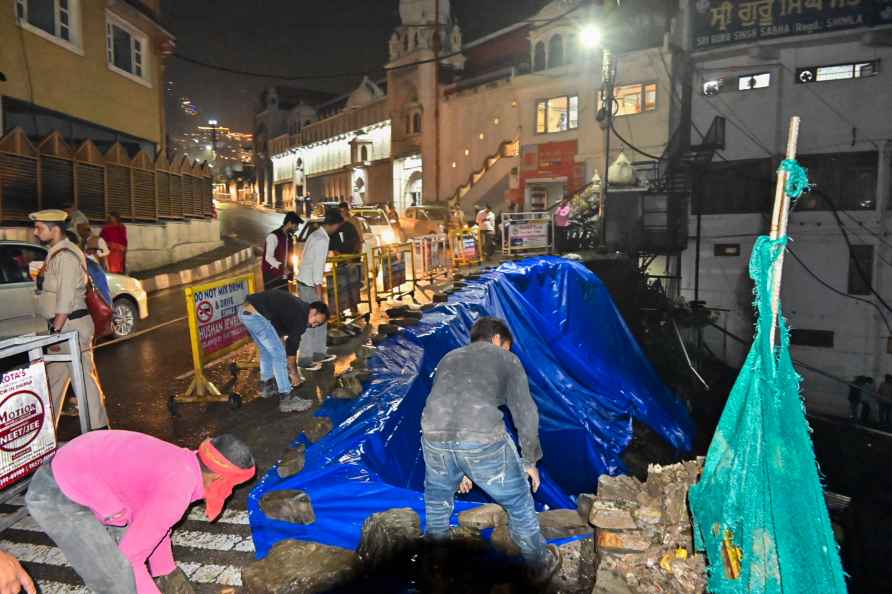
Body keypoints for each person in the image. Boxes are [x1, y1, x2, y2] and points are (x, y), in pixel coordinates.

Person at [420, 317, 561, 582]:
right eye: (506, 346)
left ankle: (435, 568)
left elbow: (451, 407)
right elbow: (526, 414)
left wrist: (460, 468)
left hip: (433, 435)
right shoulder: (506, 359)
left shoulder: (449, 357)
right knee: (518, 500)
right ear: (497, 339)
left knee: (437, 503)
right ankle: (539, 562)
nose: (506, 351)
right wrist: (529, 460)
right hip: (479, 437)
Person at [25, 431, 254, 594]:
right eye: (232, 486)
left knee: (131, 547)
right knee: (119, 581)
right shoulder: (177, 488)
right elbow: (131, 557)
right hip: (58, 493)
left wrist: (167, 573)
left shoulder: (184, 464)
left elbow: (157, 525)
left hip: (86, 473)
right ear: (219, 479)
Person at [30, 209, 110, 430]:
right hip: (65, 327)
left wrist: (56, 329)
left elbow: (65, 297)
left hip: (69, 326)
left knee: (83, 379)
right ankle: (44, 434)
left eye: (40, 228)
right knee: (53, 381)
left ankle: (99, 430)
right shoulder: (57, 253)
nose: (36, 233)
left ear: (55, 230)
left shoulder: (65, 256)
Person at [240, 290, 330, 413]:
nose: (314, 326)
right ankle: (287, 397)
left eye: (317, 325)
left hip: (245, 311)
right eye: (316, 322)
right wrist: (294, 374)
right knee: (279, 355)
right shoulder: (301, 316)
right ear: (313, 311)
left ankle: (266, 386)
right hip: (255, 315)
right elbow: (292, 348)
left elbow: (279, 332)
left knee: (267, 351)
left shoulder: (299, 308)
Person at [297, 211, 343, 366]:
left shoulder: (314, 234)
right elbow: (318, 266)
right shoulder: (322, 239)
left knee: (320, 322)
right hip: (310, 285)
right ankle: (305, 359)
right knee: (311, 322)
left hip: (305, 282)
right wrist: (319, 290)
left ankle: (318, 353)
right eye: (338, 226)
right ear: (335, 225)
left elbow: (304, 258)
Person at [263, 211, 302, 291]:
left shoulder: (288, 238)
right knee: (275, 302)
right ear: (289, 223)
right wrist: (281, 267)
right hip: (272, 278)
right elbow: (268, 257)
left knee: (285, 302)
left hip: (283, 278)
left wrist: (291, 273)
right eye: (296, 225)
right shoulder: (273, 236)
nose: (297, 229)